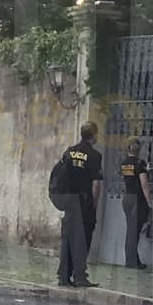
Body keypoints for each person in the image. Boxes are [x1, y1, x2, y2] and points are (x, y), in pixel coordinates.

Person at [53, 121, 102, 288]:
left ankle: (64, 276)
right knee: (82, 238)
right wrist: (94, 204)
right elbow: (96, 184)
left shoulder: (70, 151)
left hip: (68, 200)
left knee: (68, 238)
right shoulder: (94, 155)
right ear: (94, 135)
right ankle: (80, 276)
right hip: (84, 201)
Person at [120, 137, 153, 269]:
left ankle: (132, 260)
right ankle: (132, 262)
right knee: (134, 232)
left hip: (127, 198)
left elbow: (131, 177)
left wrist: (145, 171)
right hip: (137, 200)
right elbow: (144, 184)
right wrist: (149, 203)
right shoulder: (140, 163)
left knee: (130, 231)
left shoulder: (124, 163)